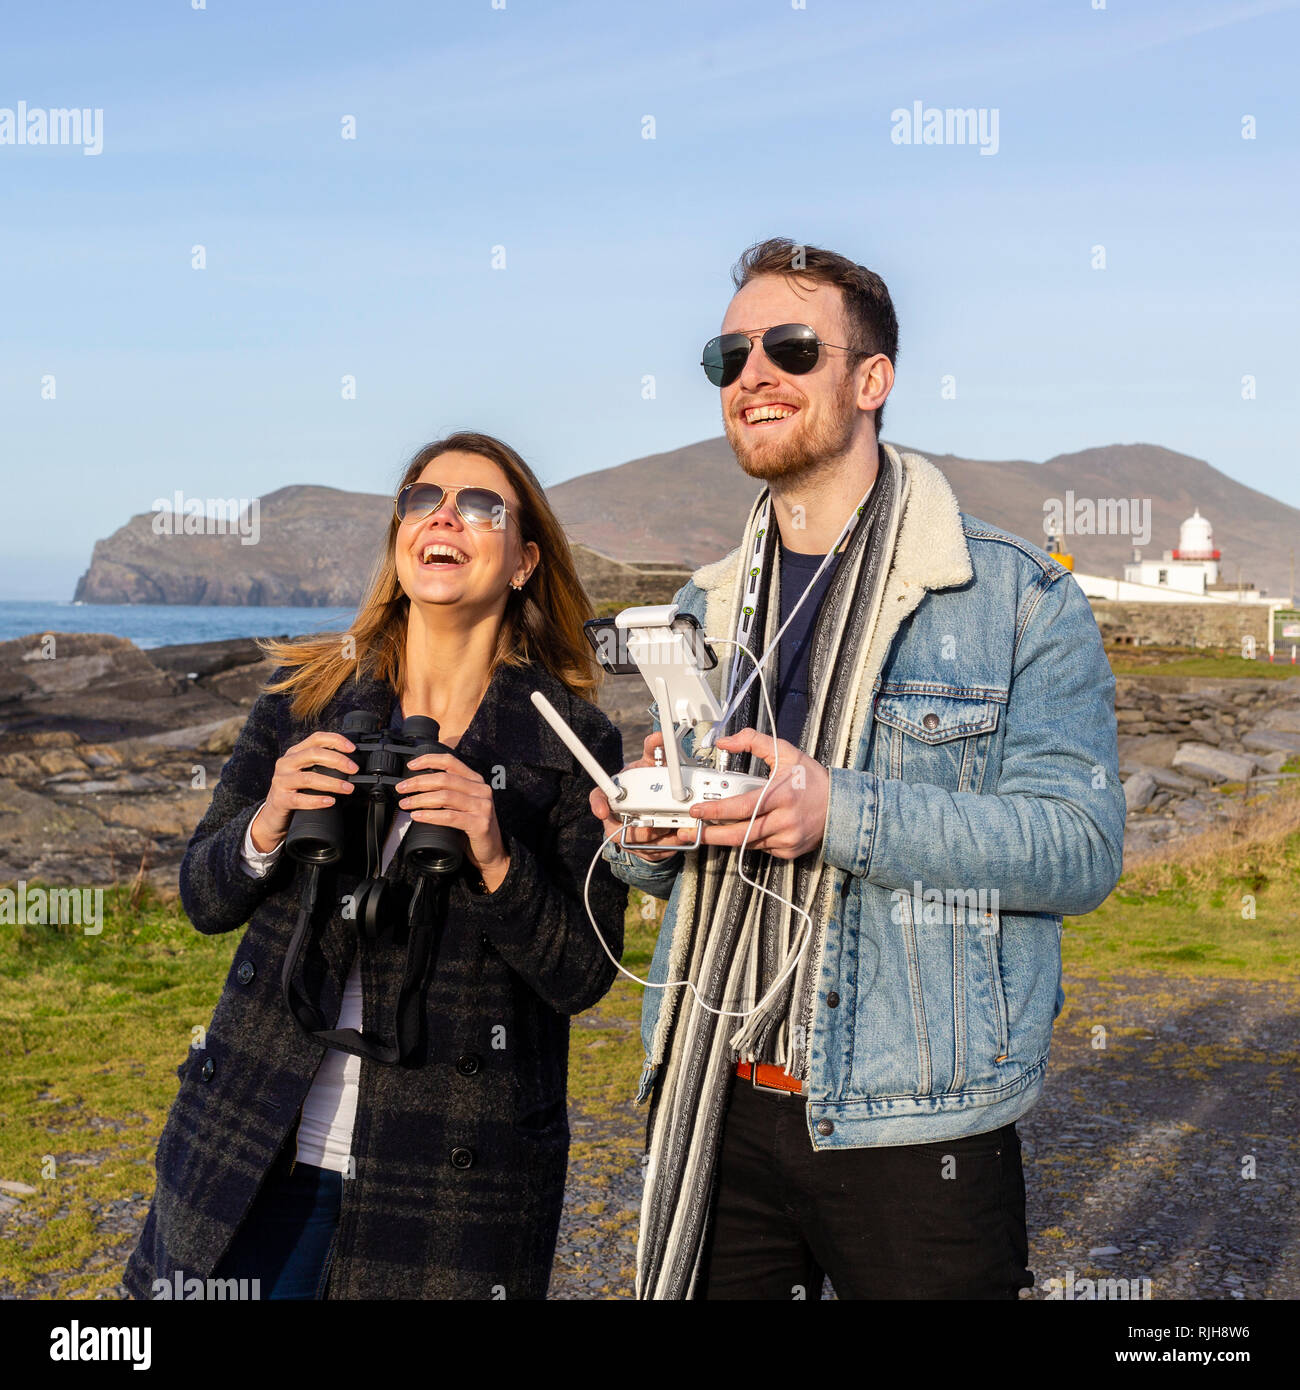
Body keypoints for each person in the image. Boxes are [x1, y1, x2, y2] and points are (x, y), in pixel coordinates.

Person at [593, 239, 1125, 1300]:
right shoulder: (704, 605)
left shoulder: (1012, 596)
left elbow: (1079, 847)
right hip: (717, 1094)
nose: (752, 374)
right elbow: (683, 862)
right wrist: (646, 831)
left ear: (870, 380)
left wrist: (841, 813)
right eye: (727, 353)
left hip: (914, 1116)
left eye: (789, 347)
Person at [125, 431, 628, 1300]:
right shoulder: (305, 702)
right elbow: (203, 895)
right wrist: (270, 818)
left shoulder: (574, 743)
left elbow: (582, 973)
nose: (444, 518)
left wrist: (495, 854)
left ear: (523, 560)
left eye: (480, 507)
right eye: (422, 500)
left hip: (449, 1182)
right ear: (400, 544)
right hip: (256, 1146)